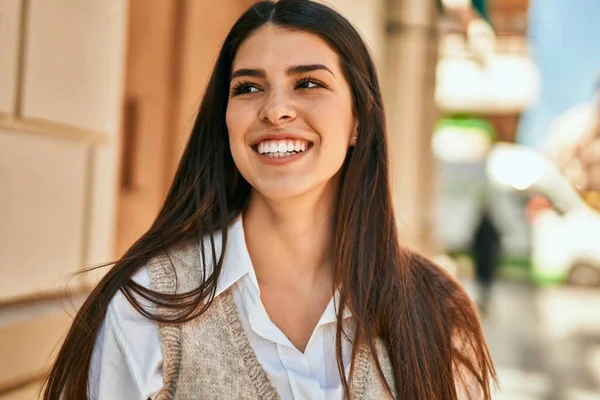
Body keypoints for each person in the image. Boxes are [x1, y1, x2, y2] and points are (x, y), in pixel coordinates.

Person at [44, 1, 495, 399]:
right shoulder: (151, 305)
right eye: (248, 88)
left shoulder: (436, 311)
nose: (275, 109)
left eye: (308, 84)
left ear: (359, 119)